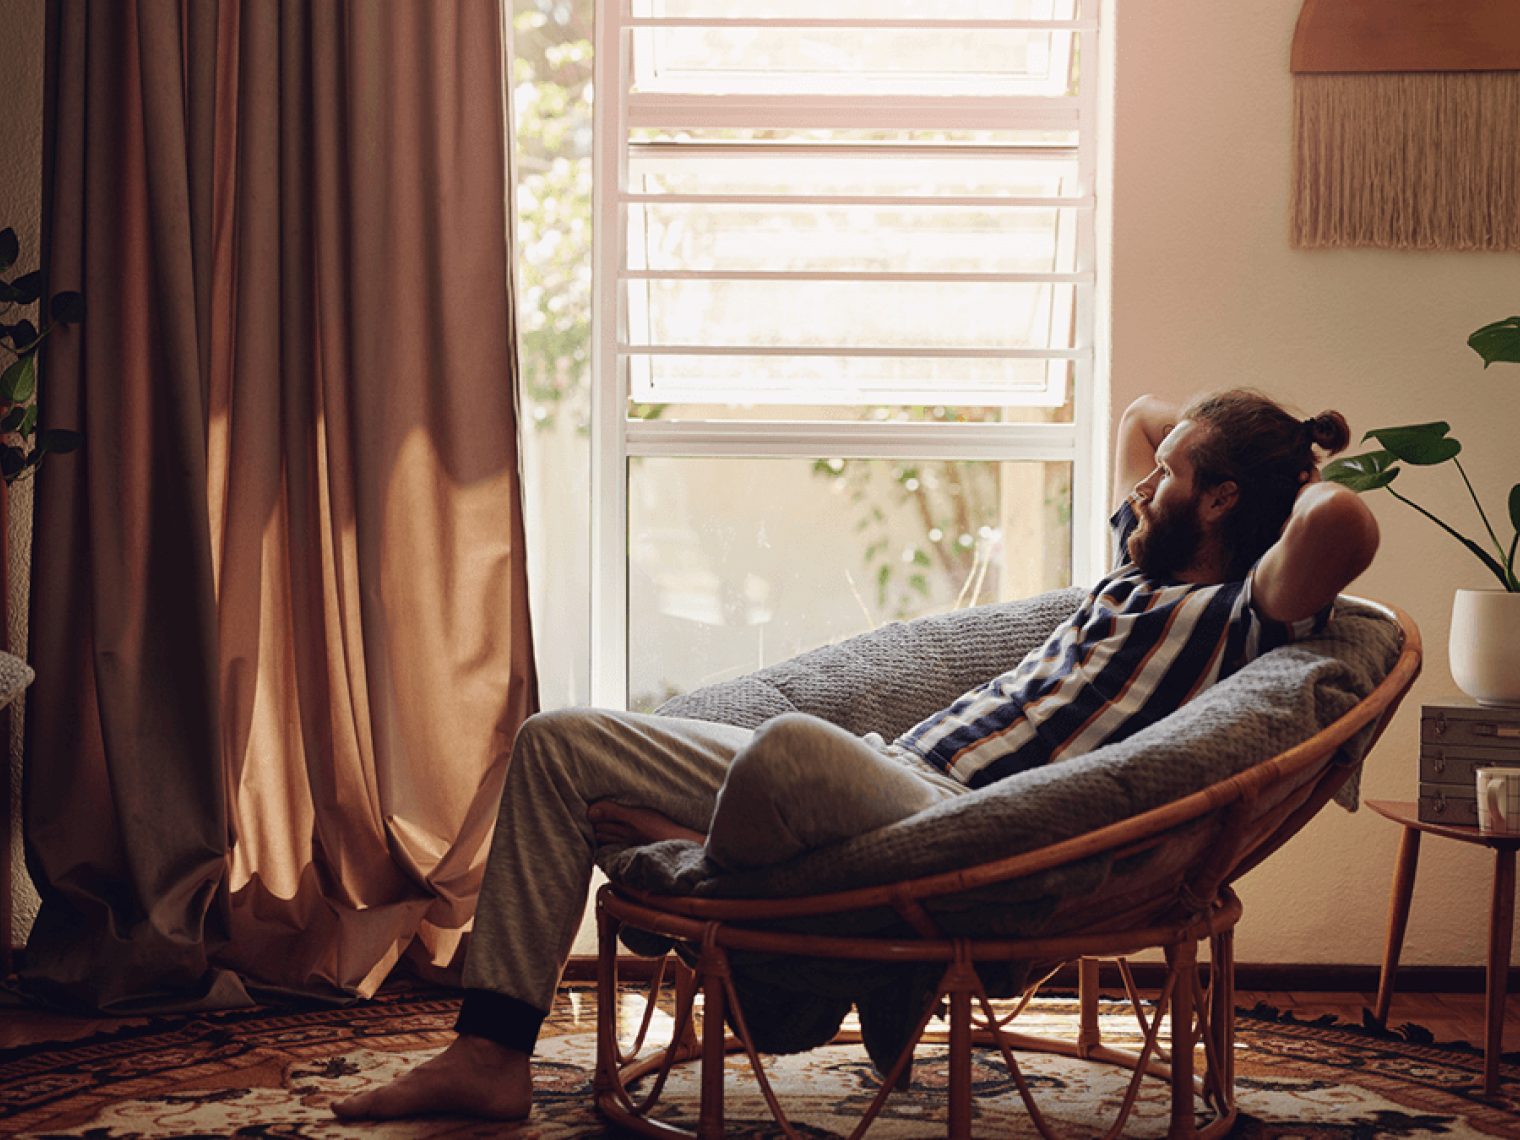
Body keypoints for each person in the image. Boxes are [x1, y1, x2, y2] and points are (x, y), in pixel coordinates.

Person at [332, 388, 1379, 1122]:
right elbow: (1141, 416)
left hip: (947, 820)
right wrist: (1203, 447)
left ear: (1225, 502)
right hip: (878, 776)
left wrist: (1296, 460)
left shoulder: (1242, 613)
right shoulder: (1132, 569)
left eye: (1170, 477)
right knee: (556, 741)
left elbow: (1344, 526)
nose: (1143, 482)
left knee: (784, 754)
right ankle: (489, 1052)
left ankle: (734, 898)